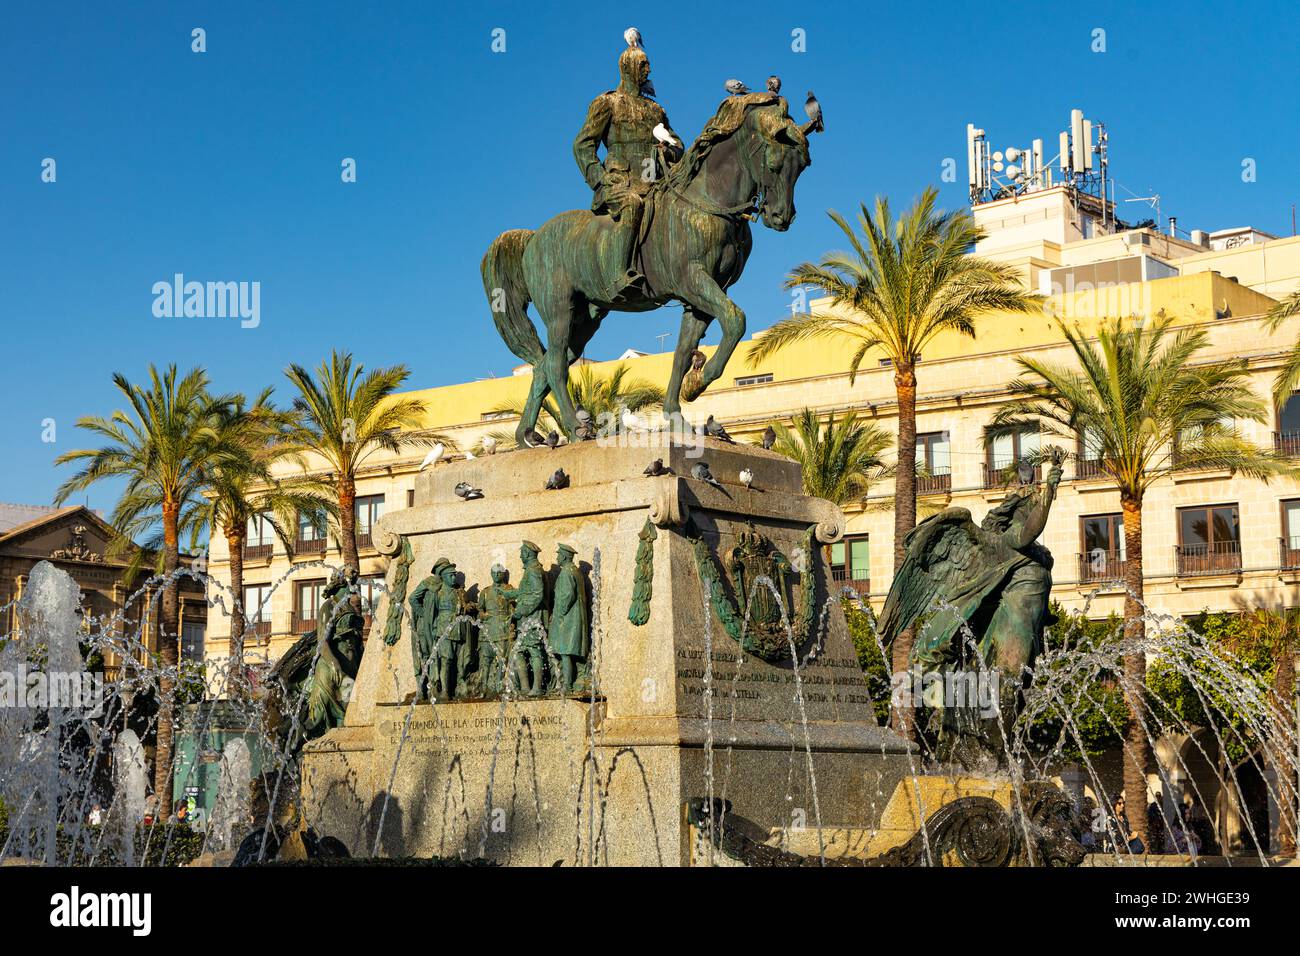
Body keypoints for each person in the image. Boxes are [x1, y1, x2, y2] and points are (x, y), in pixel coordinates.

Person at [572, 34, 683, 302]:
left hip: (655, 183)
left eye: (647, 65)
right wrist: (600, 181)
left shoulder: (656, 110)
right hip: (620, 185)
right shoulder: (607, 102)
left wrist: (669, 150)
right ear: (628, 68)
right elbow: (582, 145)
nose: (648, 70)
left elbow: (678, 143)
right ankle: (620, 274)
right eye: (643, 65)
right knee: (633, 204)